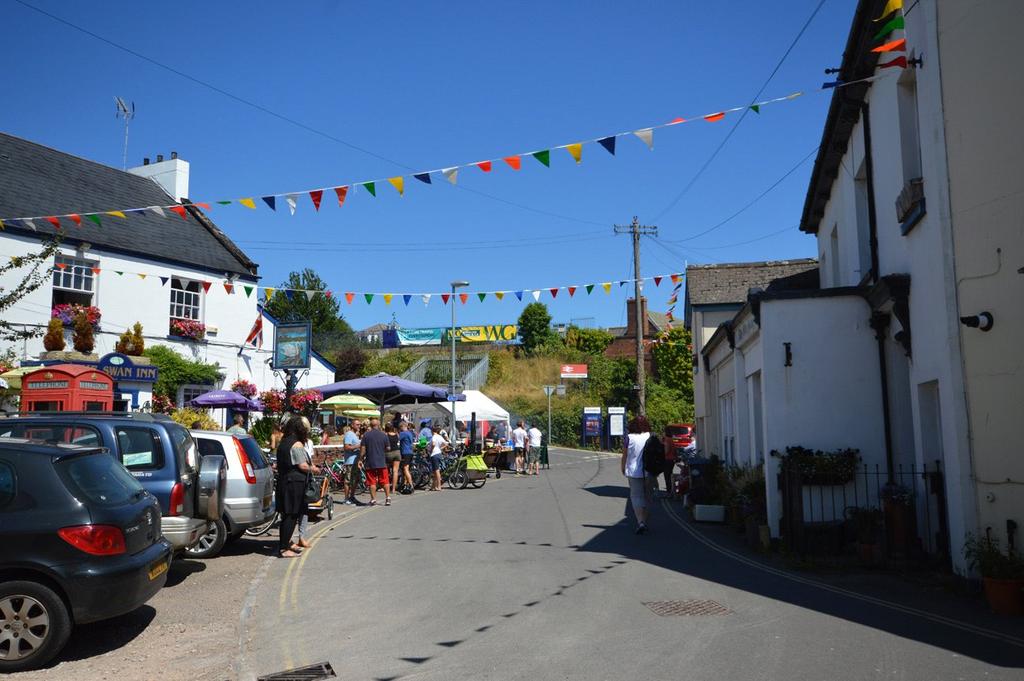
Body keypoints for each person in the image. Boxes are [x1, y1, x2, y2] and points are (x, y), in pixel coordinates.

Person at [276, 416, 319, 558]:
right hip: (294, 484)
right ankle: (283, 549)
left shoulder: (284, 442)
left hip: (284, 482)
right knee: (291, 516)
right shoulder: (297, 445)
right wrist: (315, 469)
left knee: (287, 515)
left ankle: (286, 543)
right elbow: (302, 465)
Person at [621, 415, 655, 535]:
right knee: (648, 497)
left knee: (636, 497)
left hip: (634, 471)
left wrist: (623, 468)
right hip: (650, 471)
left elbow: (625, 455)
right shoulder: (651, 435)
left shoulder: (629, 438)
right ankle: (644, 521)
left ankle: (640, 522)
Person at [360, 418, 391, 506]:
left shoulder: (366, 435)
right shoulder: (384, 435)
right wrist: (382, 450)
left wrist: (360, 459)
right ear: (378, 425)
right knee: (385, 480)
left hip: (370, 461)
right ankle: (388, 498)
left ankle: (373, 499)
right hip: (381, 461)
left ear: (371, 425)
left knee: (372, 481)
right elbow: (388, 448)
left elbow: (363, 449)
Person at [342, 423, 362, 505]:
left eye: (359, 425)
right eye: (357, 424)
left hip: (356, 461)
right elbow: (346, 447)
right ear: (352, 425)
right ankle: (346, 498)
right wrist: (358, 446)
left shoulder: (355, 435)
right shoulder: (349, 434)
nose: (359, 426)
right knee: (348, 480)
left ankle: (352, 497)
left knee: (355, 480)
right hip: (350, 461)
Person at [398, 421, 415, 493]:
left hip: (405, 452)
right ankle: (405, 484)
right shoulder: (410, 433)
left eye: (400, 428)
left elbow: (397, 439)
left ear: (402, 427)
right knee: (406, 469)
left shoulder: (403, 433)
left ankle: (411, 485)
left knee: (405, 469)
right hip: (410, 452)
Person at [429, 425, 447, 491]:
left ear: (432, 431)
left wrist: (431, 449)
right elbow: (445, 444)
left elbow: (433, 444)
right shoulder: (439, 436)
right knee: (434, 471)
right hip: (439, 453)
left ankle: (439, 486)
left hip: (434, 454)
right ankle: (433, 486)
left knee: (436, 471)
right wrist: (440, 448)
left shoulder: (434, 437)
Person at [384, 423, 401, 496]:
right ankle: (393, 489)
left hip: (388, 453)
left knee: (385, 470)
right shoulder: (396, 434)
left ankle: (385, 487)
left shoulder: (385, 435)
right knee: (395, 471)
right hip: (397, 452)